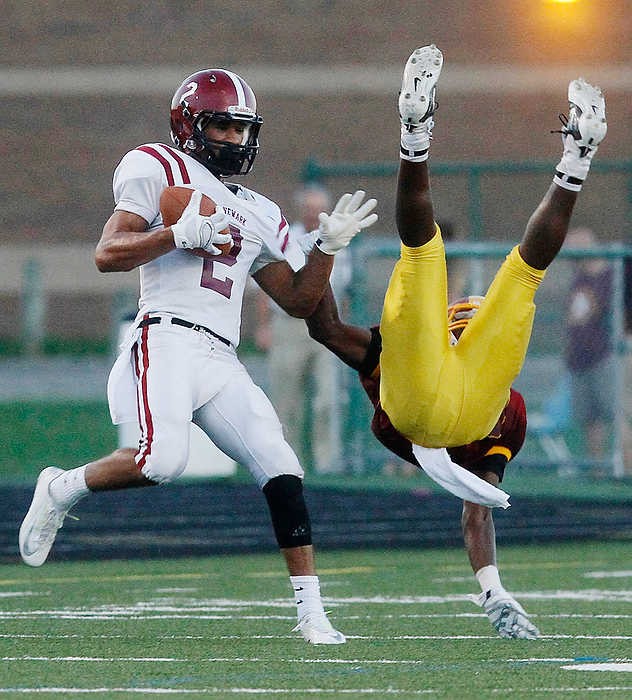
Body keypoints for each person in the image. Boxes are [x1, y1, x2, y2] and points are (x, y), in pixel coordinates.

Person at [18, 68, 377, 645]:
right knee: (160, 462)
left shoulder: (258, 209)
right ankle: (62, 487)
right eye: (222, 126)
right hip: (164, 337)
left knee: (282, 467)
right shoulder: (158, 166)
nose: (235, 140)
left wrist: (327, 250)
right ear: (189, 125)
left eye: (242, 129)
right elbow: (107, 254)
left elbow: (300, 302)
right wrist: (176, 235)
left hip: (220, 356)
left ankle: (313, 616)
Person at [379, 45, 607, 453]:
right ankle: (577, 159)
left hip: (424, 402)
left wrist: (324, 250)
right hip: (470, 413)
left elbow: (327, 328)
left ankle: (415, 134)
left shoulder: (440, 345)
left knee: (437, 256)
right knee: (520, 272)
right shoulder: (510, 411)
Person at [306, 288, 538, 639]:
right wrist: (316, 254)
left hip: (451, 446)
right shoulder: (404, 353)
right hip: (405, 419)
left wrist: (494, 593)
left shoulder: (510, 411)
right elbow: (327, 329)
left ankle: (492, 591)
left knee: (481, 498)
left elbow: (478, 509)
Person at [255, 183, 351, 473]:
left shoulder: (338, 239)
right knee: (286, 400)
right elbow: (263, 285)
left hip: (326, 326)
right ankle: (287, 463)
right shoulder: (286, 238)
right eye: (309, 209)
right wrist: (264, 326)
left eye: (318, 209)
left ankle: (327, 463)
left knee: (327, 397)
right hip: (289, 326)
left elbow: (344, 290)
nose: (313, 215)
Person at [564, 227, 615, 463]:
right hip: (578, 358)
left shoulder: (611, 276)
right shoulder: (578, 278)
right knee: (589, 419)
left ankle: (619, 466)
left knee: (614, 414)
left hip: (604, 356)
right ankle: (596, 467)